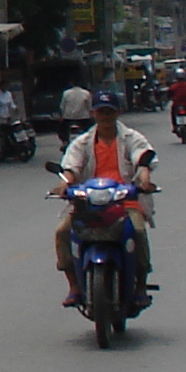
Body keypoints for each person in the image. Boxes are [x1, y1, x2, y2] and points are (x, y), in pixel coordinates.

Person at [50, 90, 157, 309]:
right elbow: (72, 167)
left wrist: (144, 177)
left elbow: (143, 158)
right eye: (101, 112)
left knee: (136, 231)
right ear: (93, 113)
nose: (105, 117)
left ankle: (140, 286)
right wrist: (64, 184)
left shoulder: (132, 138)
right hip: (88, 203)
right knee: (62, 232)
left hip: (124, 202)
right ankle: (74, 286)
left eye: (109, 112)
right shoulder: (83, 142)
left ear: (118, 112)